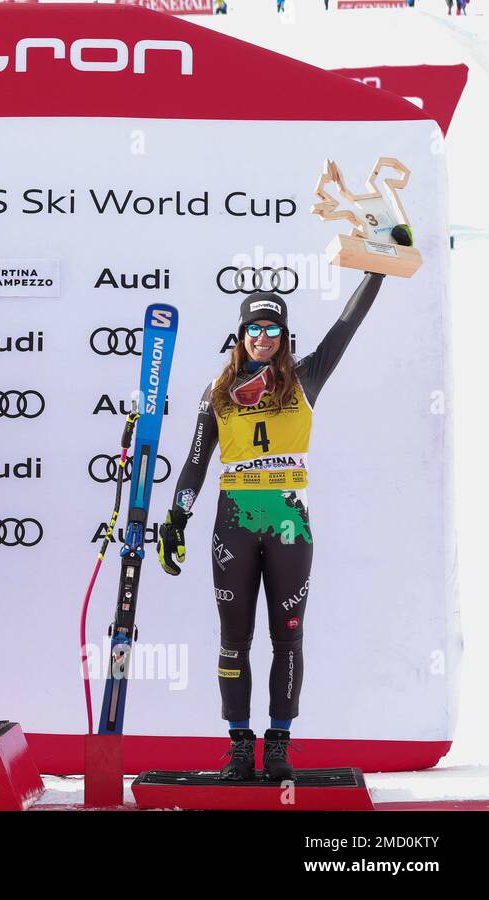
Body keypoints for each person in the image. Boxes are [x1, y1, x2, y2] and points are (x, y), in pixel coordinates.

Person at [157, 271, 385, 781]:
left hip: (287, 522)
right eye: (254, 329)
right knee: (233, 638)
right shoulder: (217, 391)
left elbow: (346, 325)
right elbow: (196, 461)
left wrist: (376, 269)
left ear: (285, 337)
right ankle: (240, 743)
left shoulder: (307, 377)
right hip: (234, 519)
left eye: (273, 330)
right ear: (240, 335)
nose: (264, 338)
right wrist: (176, 517)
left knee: (288, 635)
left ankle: (278, 742)